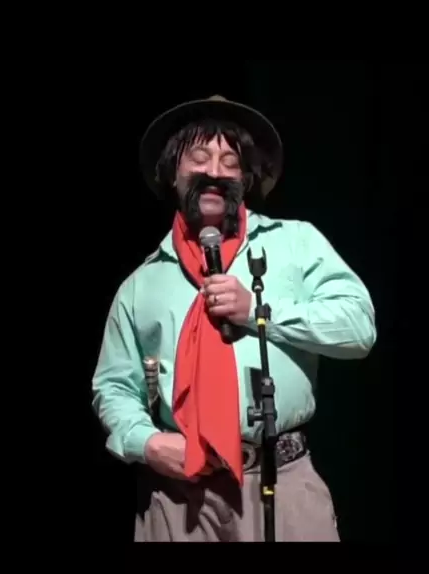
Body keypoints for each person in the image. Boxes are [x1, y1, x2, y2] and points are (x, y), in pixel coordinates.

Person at [91, 95, 377, 542]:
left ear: (245, 178)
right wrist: (145, 441)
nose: (215, 172)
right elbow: (113, 386)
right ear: (172, 172)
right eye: (199, 157)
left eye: (231, 162)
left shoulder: (295, 243)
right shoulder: (141, 284)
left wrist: (260, 312)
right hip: (180, 497)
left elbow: (358, 327)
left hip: (282, 482)